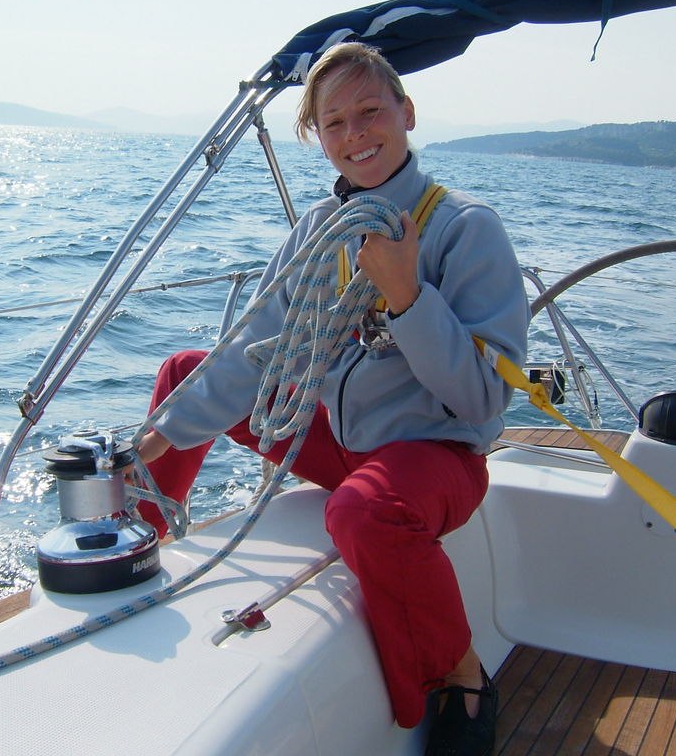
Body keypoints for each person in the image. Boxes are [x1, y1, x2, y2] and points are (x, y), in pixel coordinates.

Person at [133, 42, 529, 756]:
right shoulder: (320, 227)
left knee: (364, 511)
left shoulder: (466, 228)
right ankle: (139, 549)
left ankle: (462, 677)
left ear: (407, 113)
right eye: (334, 122)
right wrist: (160, 432)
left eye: (371, 111)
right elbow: (256, 345)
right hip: (345, 444)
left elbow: (483, 399)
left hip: (433, 459)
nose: (356, 134)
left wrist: (408, 296)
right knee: (185, 373)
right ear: (318, 137)